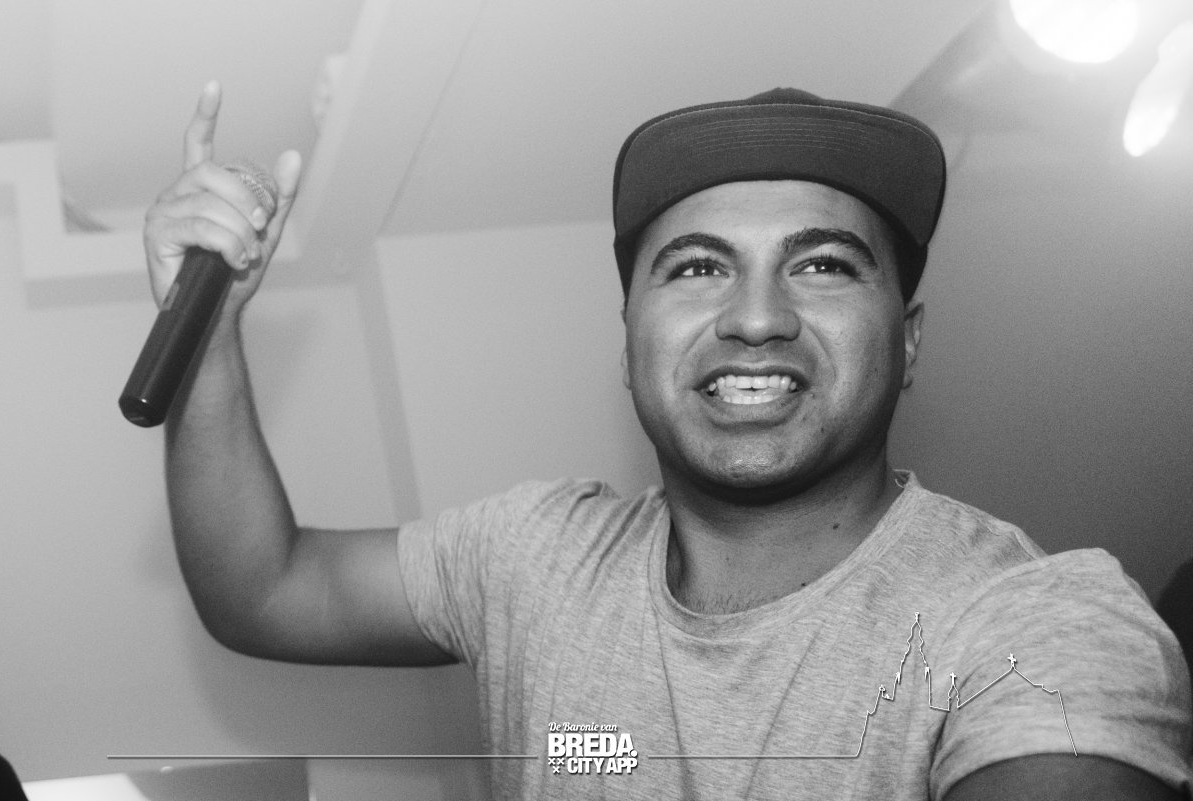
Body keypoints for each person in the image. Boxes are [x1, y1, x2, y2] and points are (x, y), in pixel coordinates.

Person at [144, 82, 1192, 800]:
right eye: (696, 267)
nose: (756, 317)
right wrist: (210, 329)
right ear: (630, 338)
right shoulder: (535, 558)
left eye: (824, 265)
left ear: (908, 340)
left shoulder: (1038, 627)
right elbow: (264, 587)